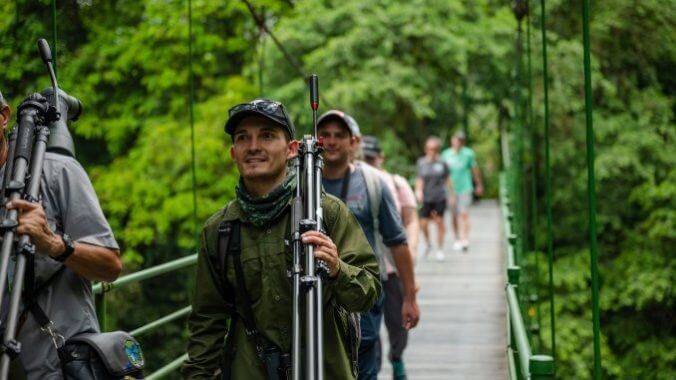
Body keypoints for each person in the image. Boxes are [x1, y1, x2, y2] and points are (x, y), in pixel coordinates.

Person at [182, 99, 381, 379]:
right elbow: (207, 321)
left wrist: (337, 270)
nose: (253, 146)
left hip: (323, 369)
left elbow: (369, 293)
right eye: (243, 138)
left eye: (266, 135)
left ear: (291, 149)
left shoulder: (326, 213)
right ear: (233, 152)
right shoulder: (220, 230)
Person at [0, 90, 122, 379]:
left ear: (3, 117)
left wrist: (54, 244)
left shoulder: (56, 172)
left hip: (64, 366)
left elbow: (110, 266)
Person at [317, 110, 420, 380]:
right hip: (313, 297)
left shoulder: (373, 184)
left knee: (363, 368)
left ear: (354, 142)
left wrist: (409, 296)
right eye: (324, 135)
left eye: (340, 135)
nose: (331, 141)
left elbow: (397, 241)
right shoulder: (300, 182)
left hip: (361, 296)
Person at [361, 135, 418, 380]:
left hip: (393, 267)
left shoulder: (395, 182)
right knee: (367, 331)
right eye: (364, 158)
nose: (369, 162)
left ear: (381, 157)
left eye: (372, 158)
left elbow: (411, 220)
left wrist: (410, 260)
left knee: (398, 324)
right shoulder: (352, 181)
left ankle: (397, 358)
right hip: (365, 271)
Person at [441, 131, 483, 251]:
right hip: (450, 190)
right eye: (456, 139)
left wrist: (478, 184)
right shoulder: (446, 154)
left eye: (461, 140)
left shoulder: (468, 154)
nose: (458, 142)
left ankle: (465, 239)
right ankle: (457, 238)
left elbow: (474, 170)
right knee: (454, 215)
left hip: (465, 187)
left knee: (464, 213)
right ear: (452, 140)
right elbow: (443, 174)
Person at [415, 136, 452, 261]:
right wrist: (418, 191)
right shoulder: (422, 162)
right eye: (430, 149)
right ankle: (428, 243)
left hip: (439, 196)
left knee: (439, 222)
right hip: (426, 197)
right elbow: (419, 178)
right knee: (423, 224)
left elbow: (447, 179)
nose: (432, 151)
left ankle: (440, 249)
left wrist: (452, 195)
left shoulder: (442, 163)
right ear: (426, 149)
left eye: (435, 149)